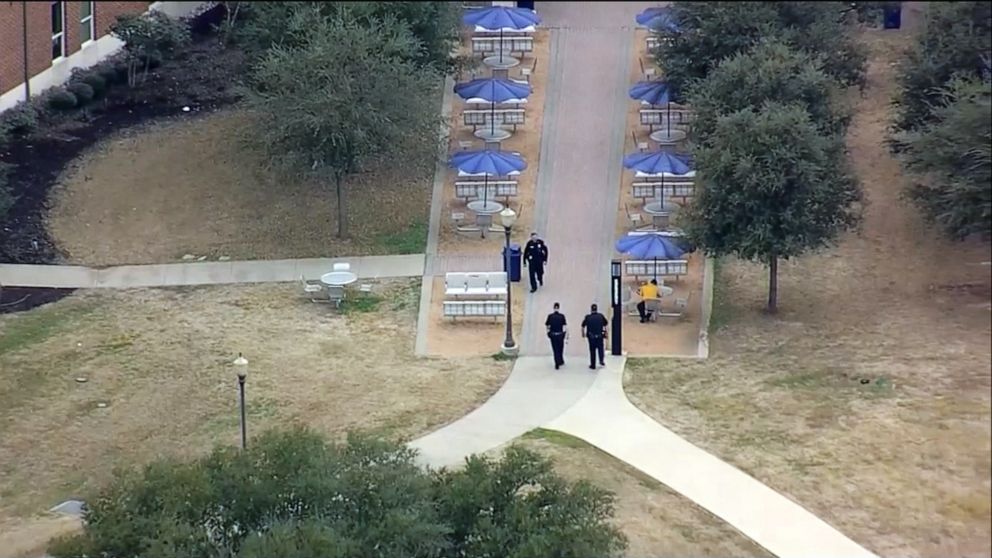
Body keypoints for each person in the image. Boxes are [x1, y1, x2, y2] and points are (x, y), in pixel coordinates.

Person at [581, 303, 608, 370]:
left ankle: (593, 365)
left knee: (592, 350)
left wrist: (583, 334)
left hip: (591, 337)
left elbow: (583, 326)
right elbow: (605, 324)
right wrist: (606, 333)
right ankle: (601, 360)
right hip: (599, 336)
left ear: (591, 310)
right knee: (600, 349)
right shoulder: (601, 316)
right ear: (596, 309)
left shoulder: (588, 317)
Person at [545, 302, 568, 369]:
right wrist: (565, 334)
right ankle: (560, 360)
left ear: (554, 308)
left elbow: (547, 325)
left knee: (555, 349)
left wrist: (548, 333)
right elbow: (564, 326)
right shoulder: (562, 316)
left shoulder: (550, 316)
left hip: (553, 334)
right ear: (559, 308)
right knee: (560, 348)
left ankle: (557, 362)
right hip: (560, 334)